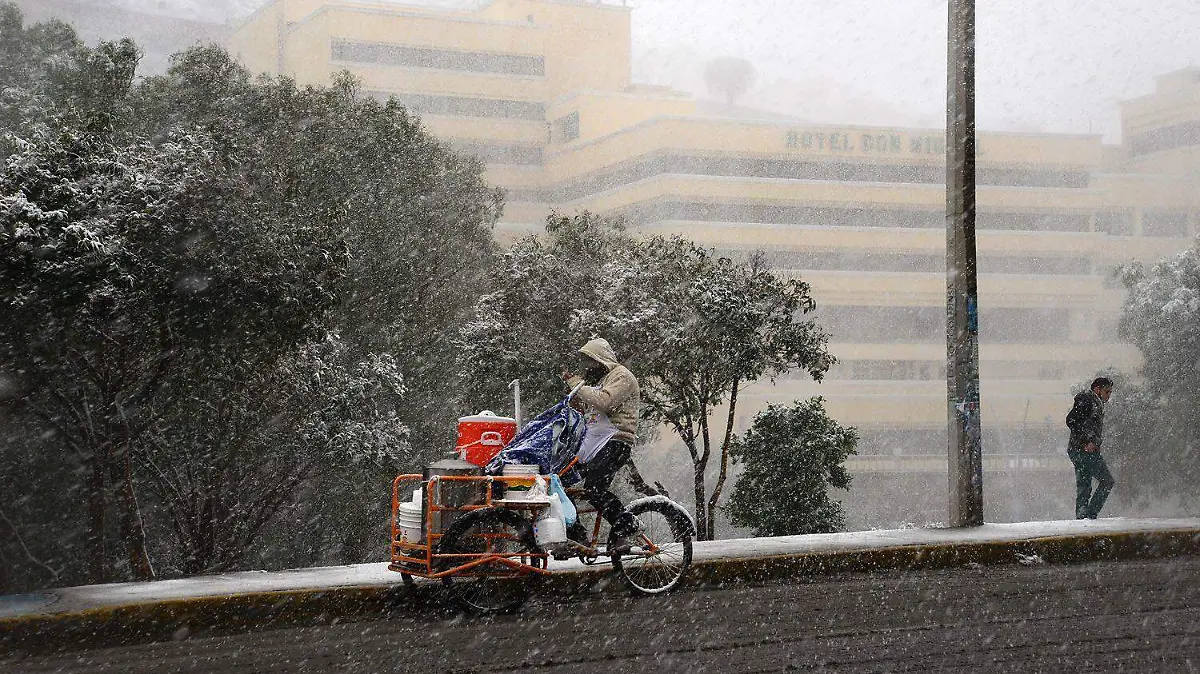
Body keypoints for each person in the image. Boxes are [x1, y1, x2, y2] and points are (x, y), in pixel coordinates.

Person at [561, 337, 642, 553]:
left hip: (615, 442)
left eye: (591, 362)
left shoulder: (621, 375)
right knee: (558, 482)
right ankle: (577, 537)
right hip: (593, 442)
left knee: (594, 488)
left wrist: (576, 385)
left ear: (601, 359)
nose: (588, 367)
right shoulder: (599, 381)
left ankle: (626, 526)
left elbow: (604, 401)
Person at [1065, 377, 1115, 519]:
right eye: (1107, 392)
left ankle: (1082, 517)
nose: (1108, 395)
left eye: (1110, 392)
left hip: (1077, 450)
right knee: (1106, 481)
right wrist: (1086, 442)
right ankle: (1090, 515)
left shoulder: (1092, 401)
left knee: (1084, 484)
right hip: (1084, 451)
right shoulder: (1088, 400)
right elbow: (1071, 420)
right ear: (1097, 389)